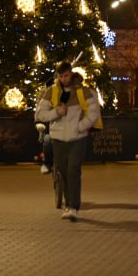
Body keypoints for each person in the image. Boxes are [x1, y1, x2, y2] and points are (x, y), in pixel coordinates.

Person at [34, 62, 101, 221]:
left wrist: (81, 127)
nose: (64, 79)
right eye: (61, 76)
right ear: (57, 76)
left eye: (66, 75)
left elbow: (94, 112)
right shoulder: (51, 92)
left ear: (71, 74)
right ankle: (68, 204)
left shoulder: (83, 92)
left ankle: (73, 207)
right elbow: (40, 114)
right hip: (58, 139)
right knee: (63, 172)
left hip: (78, 138)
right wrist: (57, 112)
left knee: (73, 170)